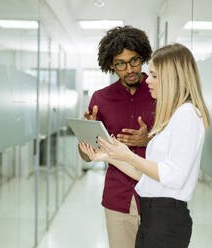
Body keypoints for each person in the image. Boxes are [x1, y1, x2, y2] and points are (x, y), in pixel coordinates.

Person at [80, 43, 210, 248]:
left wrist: (130, 155)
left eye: (154, 76)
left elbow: (173, 176)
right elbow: (147, 176)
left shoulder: (187, 114)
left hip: (165, 219)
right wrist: (107, 156)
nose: (147, 80)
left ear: (173, 78)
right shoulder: (175, 116)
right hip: (152, 214)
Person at [78, 26, 155, 248]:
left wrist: (147, 140)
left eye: (135, 61)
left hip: (157, 195)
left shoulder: (160, 91)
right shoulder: (100, 99)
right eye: (120, 63)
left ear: (143, 57)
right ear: (111, 64)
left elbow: (175, 143)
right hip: (118, 197)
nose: (129, 69)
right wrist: (87, 137)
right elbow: (87, 156)